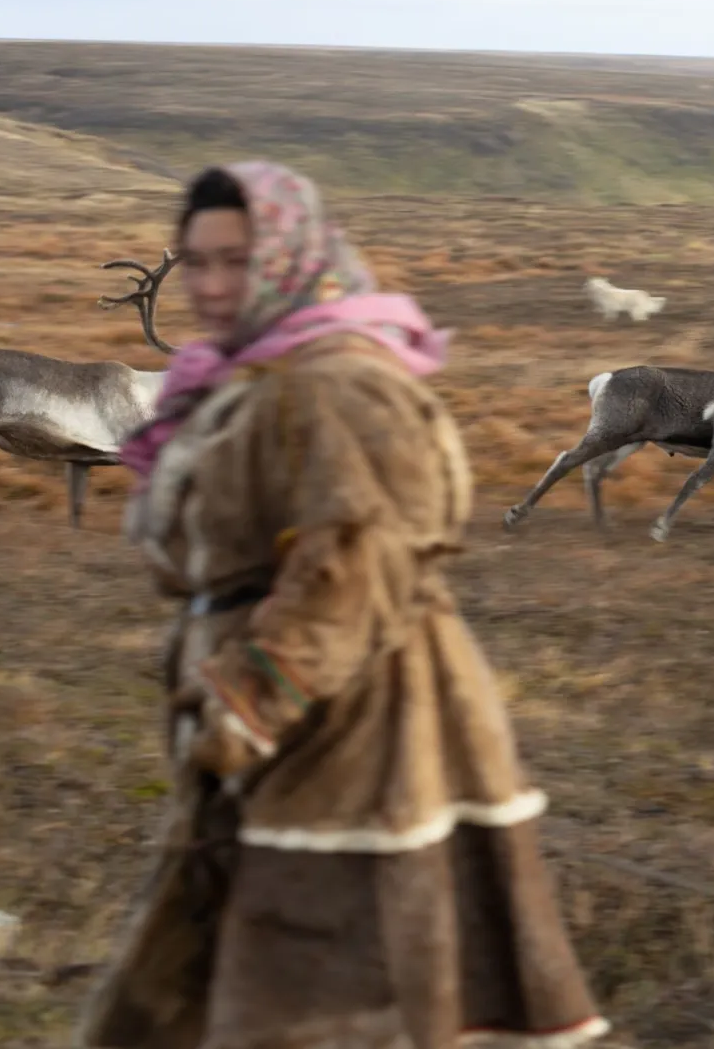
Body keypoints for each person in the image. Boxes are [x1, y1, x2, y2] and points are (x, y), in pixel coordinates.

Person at [76, 161, 608, 1049]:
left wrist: (249, 703)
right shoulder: (249, 376)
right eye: (194, 262)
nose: (208, 287)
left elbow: (357, 560)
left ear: (288, 259)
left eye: (235, 262)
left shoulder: (334, 384)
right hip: (299, 728)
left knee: (326, 1002)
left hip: (358, 736)